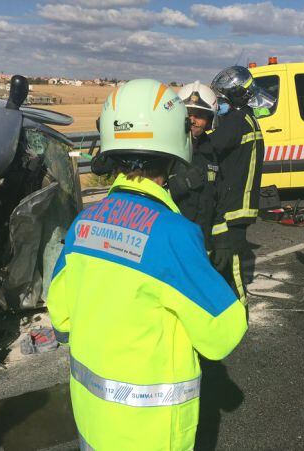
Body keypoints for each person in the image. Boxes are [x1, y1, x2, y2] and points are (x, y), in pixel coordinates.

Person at [47, 79, 248, 451]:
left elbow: (60, 315)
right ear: (175, 146)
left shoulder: (84, 225)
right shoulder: (173, 235)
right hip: (151, 432)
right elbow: (224, 333)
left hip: (93, 423)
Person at [197, 65, 269, 306]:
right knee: (226, 255)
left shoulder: (236, 121)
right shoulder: (246, 118)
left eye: (222, 99)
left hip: (235, 204)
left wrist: (193, 137)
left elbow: (211, 147)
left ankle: (239, 306)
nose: (220, 104)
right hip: (240, 201)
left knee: (233, 259)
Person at [168, 81, 220, 243]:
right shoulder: (166, 150)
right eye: (188, 114)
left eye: (199, 115)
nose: (193, 120)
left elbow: (218, 197)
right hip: (173, 236)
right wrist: (177, 186)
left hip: (202, 238)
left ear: (210, 119)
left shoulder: (212, 151)